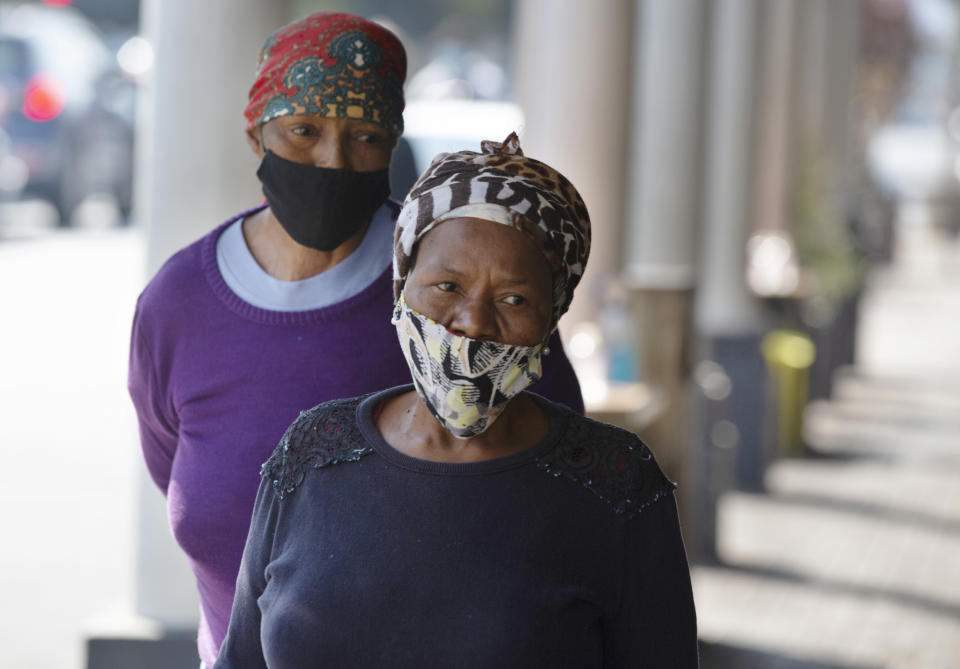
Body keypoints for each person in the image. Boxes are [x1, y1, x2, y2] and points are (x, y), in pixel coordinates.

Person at [127, 14, 583, 668]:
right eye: (304, 130)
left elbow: (561, 476)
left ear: (393, 144)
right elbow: (172, 467)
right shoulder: (179, 303)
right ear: (257, 133)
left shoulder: (454, 301)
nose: (333, 160)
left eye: (365, 136)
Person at [215, 134, 698, 668]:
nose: (473, 323)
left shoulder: (616, 485)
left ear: (551, 317)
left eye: (514, 298)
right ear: (403, 288)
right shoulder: (310, 455)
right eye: (447, 286)